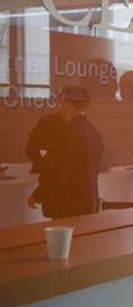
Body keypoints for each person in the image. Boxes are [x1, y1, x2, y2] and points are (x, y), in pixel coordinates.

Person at [26, 86, 105, 219]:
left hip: (64, 204)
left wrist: (38, 194)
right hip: (87, 203)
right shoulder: (94, 133)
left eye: (62, 102)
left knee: (62, 238)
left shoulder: (66, 133)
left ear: (66, 103)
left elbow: (58, 170)